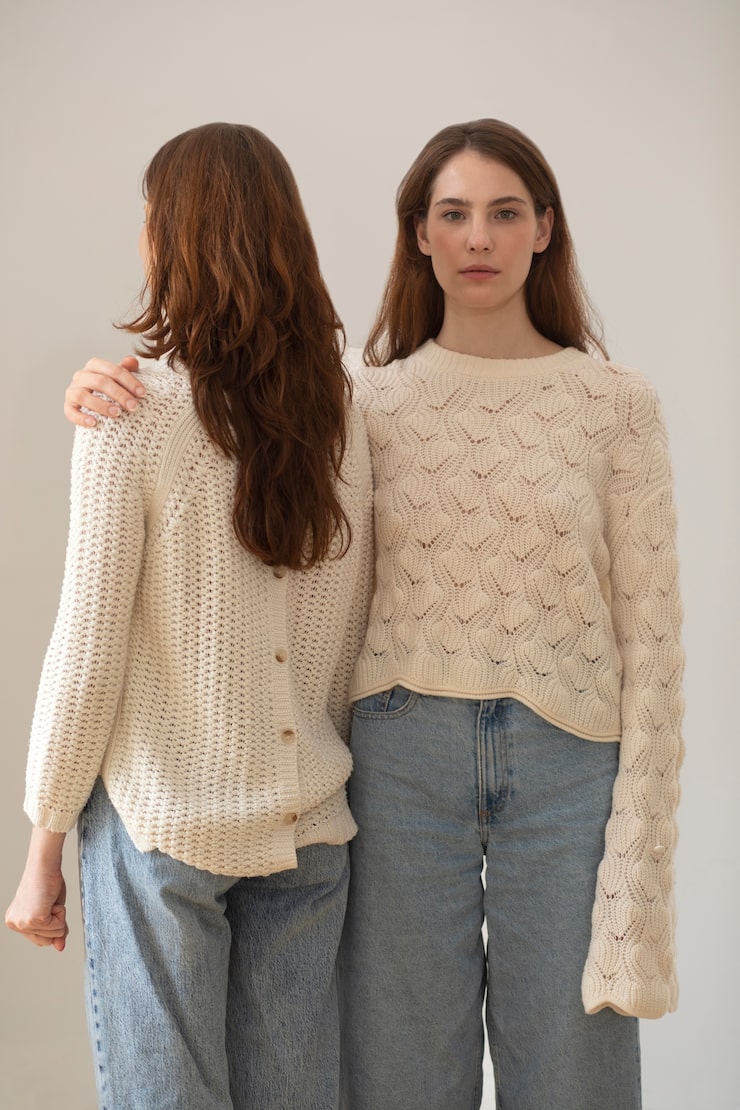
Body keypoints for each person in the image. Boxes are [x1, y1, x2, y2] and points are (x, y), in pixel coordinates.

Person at [57, 119, 684, 1110]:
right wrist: (103, 390)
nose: (477, 237)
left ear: (544, 229)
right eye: (452, 214)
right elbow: (231, 441)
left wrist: (640, 885)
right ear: (419, 235)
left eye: (504, 213)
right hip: (399, 763)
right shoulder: (360, 404)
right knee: (396, 1082)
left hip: (570, 767)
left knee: (574, 1078)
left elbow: (655, 650)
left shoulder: (615, 405)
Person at [5, 122, 373, 1110]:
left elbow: (86, 653)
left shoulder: (130, 415)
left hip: (162, 828)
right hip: (309, 829)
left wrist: (43, 851)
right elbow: (345, 641)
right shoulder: (342, 419)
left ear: (172, 237)